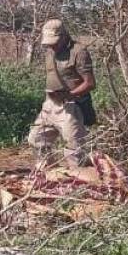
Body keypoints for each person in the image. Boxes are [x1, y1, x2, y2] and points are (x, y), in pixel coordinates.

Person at [28, 19, 96, 168]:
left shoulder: (78, 52)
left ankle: (79, 182)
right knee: (36, 138)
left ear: (64, 36)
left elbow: (90, 83)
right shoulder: (50, 52)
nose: (52, 46)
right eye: (49, 43)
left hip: (70, 106)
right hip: (50, 104)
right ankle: (49, 172)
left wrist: (69, 95)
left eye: (55, 42)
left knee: (74, 150)